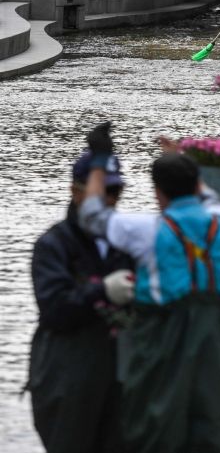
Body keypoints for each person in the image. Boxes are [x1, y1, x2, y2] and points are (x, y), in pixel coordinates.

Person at [78, 123, 220, 453]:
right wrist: (180, 159)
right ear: (195, 184)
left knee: (155, 425)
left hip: (163, 336)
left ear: (157, 193)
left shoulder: (146, 230)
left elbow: (92, 216)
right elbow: (207, 195)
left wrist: (99, 161)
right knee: (211, 424)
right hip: (217, 340)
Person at [29, 149, 134, 453]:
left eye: (116, 191)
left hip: (120, 376)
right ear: (75, 192)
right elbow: (54, 310)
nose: (110, 201)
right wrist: (102, 291)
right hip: (67, 375)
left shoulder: (127, 241)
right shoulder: (53, 244)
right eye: (104, 192)